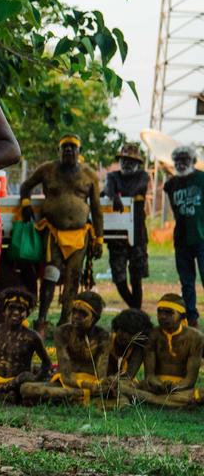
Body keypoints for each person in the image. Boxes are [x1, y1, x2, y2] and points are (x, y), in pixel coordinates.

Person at [19, 135, 104, 330]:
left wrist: (99, 239)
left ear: (79, 152)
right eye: (64, 147)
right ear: (59, 151)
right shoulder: (48, 169)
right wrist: (25, 204)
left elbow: (97, 209)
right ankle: (42, 320)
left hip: (79, 235)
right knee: (50, 274)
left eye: (72, 147)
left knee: (73, 277)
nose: (68, 150)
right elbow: (26, 186)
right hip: (53, 232)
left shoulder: (88, 174)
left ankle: (66, 321)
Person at [20, 291, 112, 405]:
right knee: (26, 388)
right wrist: (88, 386)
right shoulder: (62, 332)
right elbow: (66, 375)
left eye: (83, 313)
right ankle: (75, 398)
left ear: (95, 319)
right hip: (66, 383)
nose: (75, 317)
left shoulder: (103, 336)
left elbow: (101, 375)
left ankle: (68, 398)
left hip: (92, 386)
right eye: (74, 311)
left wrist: (98, 387)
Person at [123, 294, 203, 407]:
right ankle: (172, 402)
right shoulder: (151, 335)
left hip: (182, 390)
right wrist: (158, 385)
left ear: (182, 316)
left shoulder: (196, 337)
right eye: (159, 312)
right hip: (153, 387)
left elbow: (190, 379)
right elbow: (149, 375)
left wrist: (175, 387)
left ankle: (149, 399)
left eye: (168, 313)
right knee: (123, 387)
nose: (162, 316)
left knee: (193, 395)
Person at [0, 288, 51, 403]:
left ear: (27, 313)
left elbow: (47, 363)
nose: (16, 313)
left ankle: (5, 392)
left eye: (21, 309)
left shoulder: (32, 337)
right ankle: (3, 391)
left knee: (24, 381)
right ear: (4, 310)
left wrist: (36, 379)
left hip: (19, 381)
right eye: (11, 308)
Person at [105, 143, 150, 310]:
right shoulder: (112, 176)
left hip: (138, 233)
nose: (127, 163)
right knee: (119, 277)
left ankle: (136, 313)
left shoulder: (143, 176)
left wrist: (118, 196)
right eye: (124, 160)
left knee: (136, 277)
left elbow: (134, 189)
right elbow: (108, 188)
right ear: (120, 160)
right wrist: (113, 195)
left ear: (138, 163)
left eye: (131, 161)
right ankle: (135, 309)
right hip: (117, 235)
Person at [164, 145, 204, 328]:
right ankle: (192, 318)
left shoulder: (202, 178)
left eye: (185, 160)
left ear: (193, 162)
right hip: (181, 240)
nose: (181, 164)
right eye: (177, 160)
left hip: (202, 236)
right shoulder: (171, 184)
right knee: (187, 282)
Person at [107, 308, 152, 393]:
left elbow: (129, 376)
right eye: (122, 330)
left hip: (122, 383)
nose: (124, 335)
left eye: (130, 333)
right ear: (117, 327)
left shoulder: (138, 349)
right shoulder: (107, 341)